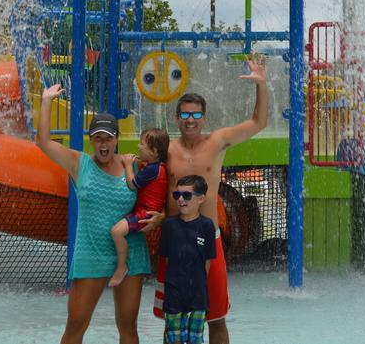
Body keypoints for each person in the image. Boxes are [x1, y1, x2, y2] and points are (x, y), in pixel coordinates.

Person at [150, 54, 269, 344]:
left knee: (216, 319)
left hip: (208, 240)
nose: (190, 121)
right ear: (177, 117)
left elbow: (258, 122)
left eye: (196, 115)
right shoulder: (167, 148)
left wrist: (261, 85)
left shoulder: (216, 142)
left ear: (203, 118)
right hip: (174, 242)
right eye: (185, 115)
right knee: (173, 319)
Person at [35, 83, 158, 344]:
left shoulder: (134, 165)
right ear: (92, 140)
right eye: (98, 138)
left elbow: (160, 193)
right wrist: (46, 101)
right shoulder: (79, 163)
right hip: (91, 253)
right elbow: (43, 142)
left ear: (116, 140)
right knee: (75, 326)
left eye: (108, 138)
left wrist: (160, 217)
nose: (104, 144)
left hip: (131, 253)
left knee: (128, 327)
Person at [158, 175, 217, 344]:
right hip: (173, 293)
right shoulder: (169, 225)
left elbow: (207, 261)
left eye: (187, 195)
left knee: (196, 338)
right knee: (173, 338)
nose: (181, 199)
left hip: (197, 296)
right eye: (177, 195)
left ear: (201, 198)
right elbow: (168, 259)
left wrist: (198, 285)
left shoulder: (206, 226)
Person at [108, 127, 169, 287]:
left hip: (146, 214)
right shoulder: (157, 166)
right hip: (146, 211)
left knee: (116, 232)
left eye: (142, 144)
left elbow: (132, 184)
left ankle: (122, 267)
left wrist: (128, 165)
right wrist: (137, 161)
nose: (138, 147)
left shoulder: (151, 170)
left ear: (154, 151)